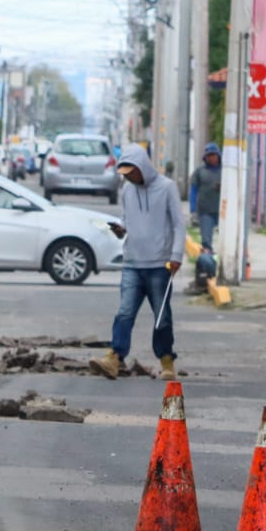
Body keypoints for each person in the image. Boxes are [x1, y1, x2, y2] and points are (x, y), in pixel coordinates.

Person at [91, 144, 185, 381]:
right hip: (132, 262)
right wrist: (121, 228)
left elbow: (178, 225)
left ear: (142, 166)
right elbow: (127, 218)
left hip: (159, 265)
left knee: (162, 316)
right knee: (124, 313)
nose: (129, 177)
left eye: (132, 172)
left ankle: (166, 362)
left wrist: (176, 256)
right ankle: (114, 358)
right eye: (125, 174)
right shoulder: (127, 190)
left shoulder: (167, 188)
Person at [188, 143, 221, 249]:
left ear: (218, 156)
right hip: (205, 211)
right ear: (205, 157)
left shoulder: (226, 171)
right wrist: (193, 210)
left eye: (213, 155)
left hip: (222, 212)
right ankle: (207, 260)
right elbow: (193, 190)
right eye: (209, 155)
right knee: (206, 240)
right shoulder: (199, 172)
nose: (211, 158)